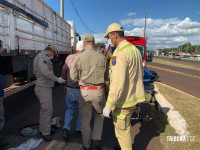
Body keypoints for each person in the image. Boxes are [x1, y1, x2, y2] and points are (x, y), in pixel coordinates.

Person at [103, 23, 145, 150]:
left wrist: (109, 105)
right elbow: (140, 74)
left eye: (109, 36)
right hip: (132, 99)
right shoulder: (135, 50)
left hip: (122, 101)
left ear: (115, 35)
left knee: (122, 133)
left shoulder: (120, 53)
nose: (109, 39)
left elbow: (117, 83)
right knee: (125, 129)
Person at [70, 34, 108, 150]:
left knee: (85, 120)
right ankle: (96, 141)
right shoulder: (102, 57)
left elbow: (73, 76)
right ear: (94, 43)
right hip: (98, 91)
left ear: (84, 43)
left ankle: (86, 145)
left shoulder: (78, 57)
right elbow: (107, 78)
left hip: (84, 91)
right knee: (99, 115)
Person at [33, 45, 66, 142]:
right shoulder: (42, 57)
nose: (53, 55)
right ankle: (46, 133)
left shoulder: (43, 57)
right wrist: (57, 79)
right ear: (50, 51)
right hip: (43, 87)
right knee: (47, 111)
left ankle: (43, 130)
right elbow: (45, 72)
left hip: (44, 86)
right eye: (53, 53)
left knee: (44, 111)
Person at [61, 41, 84, 141]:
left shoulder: (69, 57)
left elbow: (63, 70)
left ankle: (66, 128)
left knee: (70, 109)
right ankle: (78, 130)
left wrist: (65, 83)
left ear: (76, 48)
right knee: (82, 111)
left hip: (70, 88)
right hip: (81, 89)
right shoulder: (85, 58)